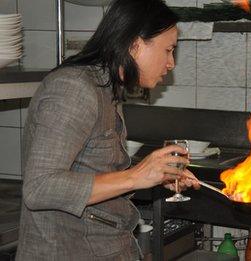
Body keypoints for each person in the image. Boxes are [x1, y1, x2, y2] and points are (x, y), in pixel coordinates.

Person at [16, 0, 199, 260]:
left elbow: (93, 173)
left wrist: (155, 176)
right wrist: (136, 175)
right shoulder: (73, 88)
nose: (171, 63)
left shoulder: (106, 88)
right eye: (168, 50)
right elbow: (40, 188)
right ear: (135, 44)